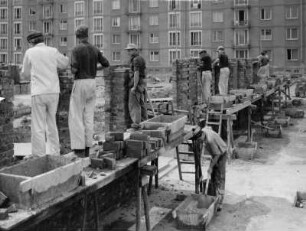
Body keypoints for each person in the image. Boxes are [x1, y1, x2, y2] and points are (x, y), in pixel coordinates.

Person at [20, 31, 69, 157]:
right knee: (52, 123)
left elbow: (24, 73)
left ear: (31, 42)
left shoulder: (30, 52)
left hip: (38, 92)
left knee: (38, 125)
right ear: (42, 40)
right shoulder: (53, 51)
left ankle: (39, 155)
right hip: (53, 91)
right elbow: (64, 63)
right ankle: (55, 153)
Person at [69, 26, 109, 157]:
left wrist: (73, 70)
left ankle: (79, 149)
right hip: (92, 82)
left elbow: (74, 69)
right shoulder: (95, 49)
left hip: (80, 82)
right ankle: (88, 147)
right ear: (87, 35)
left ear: (77, 37)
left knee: (76, 116)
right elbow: (105, 63)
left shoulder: (76, 49)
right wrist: (93, 68)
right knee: (89, 116)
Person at [200, 126, 227, 211]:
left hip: (222, 153)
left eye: (201, 140)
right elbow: (209, 127)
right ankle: (214, 197)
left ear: (203, 135)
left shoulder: (210, 140)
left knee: (220, 176)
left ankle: (220, 203)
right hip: (215, 153)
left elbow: (217, 154)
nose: (201, 142)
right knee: (213, 175)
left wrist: (211, 166)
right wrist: (211, 168)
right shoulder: (203, 130)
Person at [125, 43, 148, 131]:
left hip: (137, 84)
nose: (128, 52)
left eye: (130, 50)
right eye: (128, 50)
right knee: (141, 103)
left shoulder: (136, 60)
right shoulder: (141, 58)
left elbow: (136, 73)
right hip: (141, 83)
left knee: (134, 104)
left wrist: (134, 86)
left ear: (135, 50)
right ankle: (144, 121)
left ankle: (137, 125)